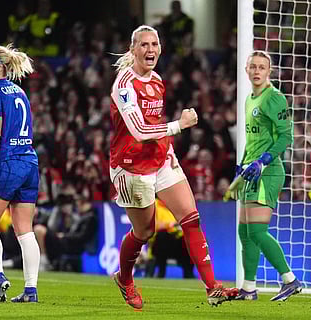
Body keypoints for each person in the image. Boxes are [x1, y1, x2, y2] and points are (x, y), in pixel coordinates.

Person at [109, 25, 238, 310]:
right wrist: (180, 125)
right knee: (145, 232)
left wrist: (168, 144)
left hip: (161, 158)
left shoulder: (156, 80)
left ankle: (212, 287)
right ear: (133, 50)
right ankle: (125, 279)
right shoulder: (124, 85)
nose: (150, 49)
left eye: (154, 44)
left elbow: (154, 127)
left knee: (190, 218)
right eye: (143, 45)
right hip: (131, 166)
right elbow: (140, 130)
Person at [230, 50, 302, 301]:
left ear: (269, 71)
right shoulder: (250, 99)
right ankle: (248, 288)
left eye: (262, 67)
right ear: (246, 70)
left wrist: (263, 161)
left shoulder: (275, 98)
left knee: (258, 232)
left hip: (268, 171)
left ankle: (290, 280)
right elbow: (252, 139)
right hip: (251, 171)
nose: (257, 71)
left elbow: (286, 136)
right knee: (244, 232)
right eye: (253, 66)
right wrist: (242, 165)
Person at [0, 44, 40, 303]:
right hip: (29, 162)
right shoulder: (20, 93)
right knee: (25, 230)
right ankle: (31, 290)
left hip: (6, 163)